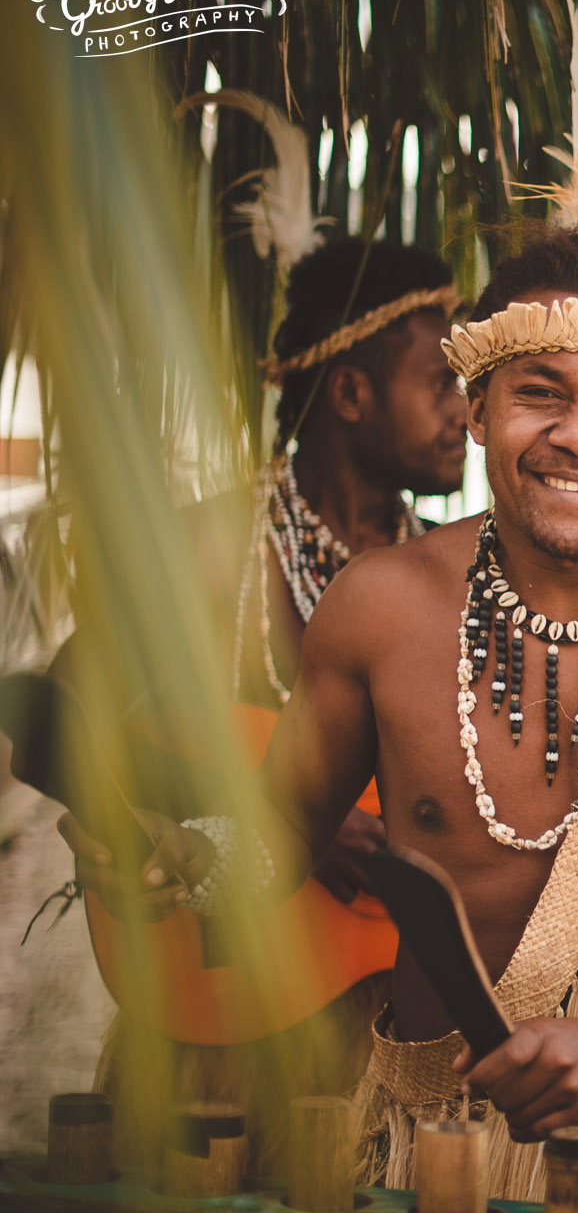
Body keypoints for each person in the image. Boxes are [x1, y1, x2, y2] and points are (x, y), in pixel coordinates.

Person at [58, 228, 578, 1212]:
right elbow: (282, 837)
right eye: (540, 391)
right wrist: (184, 865)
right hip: (435, 1156)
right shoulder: (378, 607)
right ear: (479, 407)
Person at [20, 235, 468, 1172]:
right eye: (442, 383)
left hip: (404, 1027)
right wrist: (272, 812)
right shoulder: (212, 550)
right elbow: (44, 720)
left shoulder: (449, 575)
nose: (467, 412)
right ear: (350, 394)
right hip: (225, 1028)